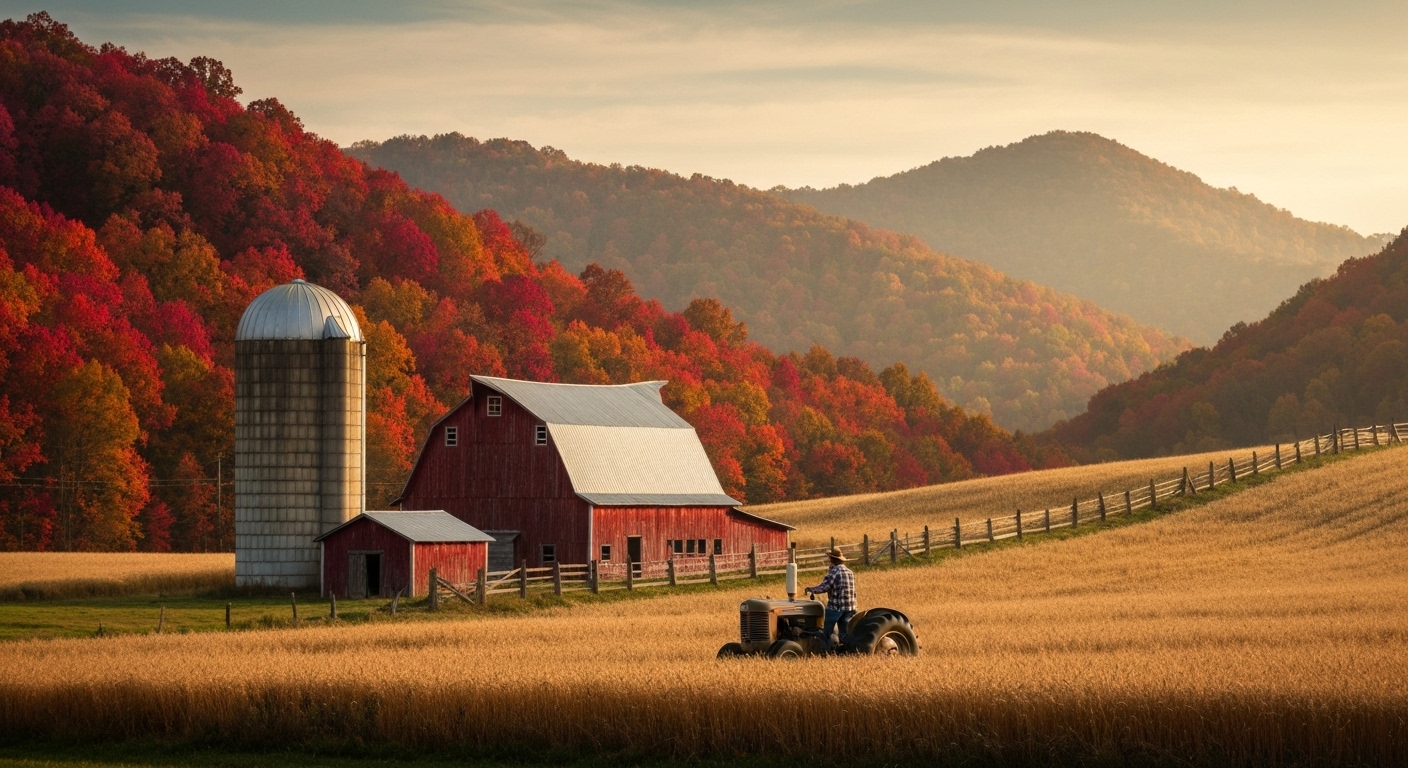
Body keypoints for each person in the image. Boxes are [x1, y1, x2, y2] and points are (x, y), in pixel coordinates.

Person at [805, 547, 856, 650]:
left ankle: (824, 651)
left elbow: (825, 587)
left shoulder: (834, 571)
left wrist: (811, 589)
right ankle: (846, 651)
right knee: (845, 633)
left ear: (833, 559)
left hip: (836, 608)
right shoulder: (850, 572)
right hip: (850, 607)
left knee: (827, 632)